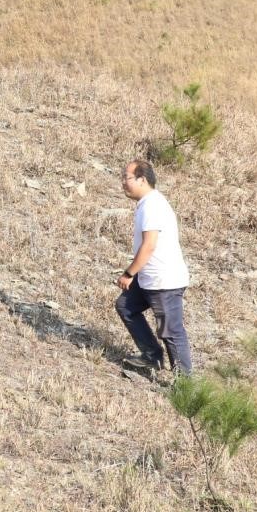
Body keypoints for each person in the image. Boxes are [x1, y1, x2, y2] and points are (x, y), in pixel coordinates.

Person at [115, 159, 193, 375]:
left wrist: (129, 273)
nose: (123, 182)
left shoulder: (152, 205)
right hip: (150, 277)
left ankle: (185, 385)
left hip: (163, 281)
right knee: (126, 307)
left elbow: (149, 246)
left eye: (127, 177)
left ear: (142, 180)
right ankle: (152, 356)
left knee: (171, 332)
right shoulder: (148, 204)